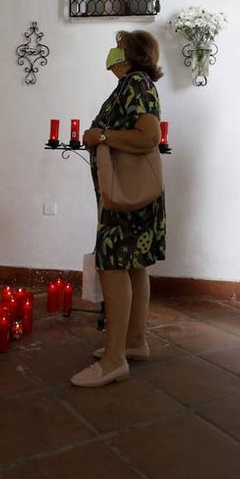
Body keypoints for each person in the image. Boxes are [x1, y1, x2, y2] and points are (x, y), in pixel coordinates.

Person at [72, 30, 166, 388]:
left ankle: (114, 361)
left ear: (131, 54)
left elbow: (148, 136)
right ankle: (133, 342)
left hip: (127, 199)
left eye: (119, 46)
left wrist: (102, 136)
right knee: (135, 266)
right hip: (135, 195)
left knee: (112, 266)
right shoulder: (134, 84)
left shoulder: (136, 85)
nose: (112, 52)